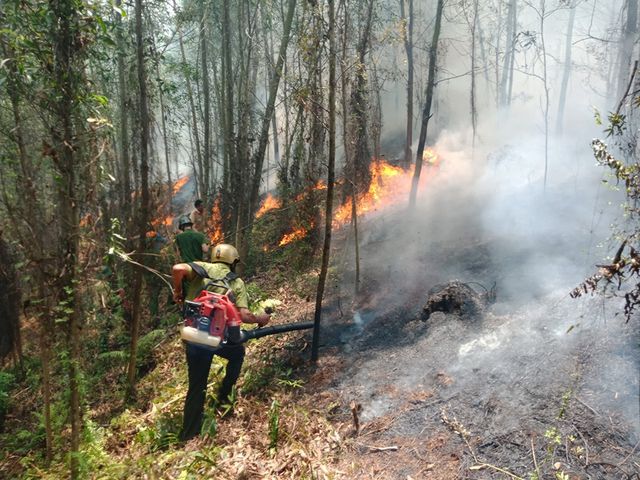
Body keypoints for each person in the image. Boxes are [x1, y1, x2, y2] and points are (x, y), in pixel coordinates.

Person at [172, 243, 270, 441]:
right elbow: (244, 315)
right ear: (233, 262)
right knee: (238, 354)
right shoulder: (236, 282)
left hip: (193, 337)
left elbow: (177, 269)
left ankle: (189, 434)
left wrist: (178, 292)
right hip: (218, 339)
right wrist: (261, 319)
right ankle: (224, 398)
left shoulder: (201, 269)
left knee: (196, 385)